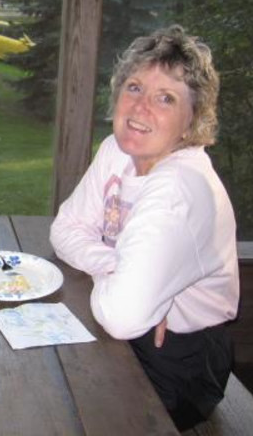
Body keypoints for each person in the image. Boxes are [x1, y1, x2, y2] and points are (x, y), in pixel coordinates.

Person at [50, 25, 239, 431]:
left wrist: (129, 287)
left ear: (192, 122)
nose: (141, 108)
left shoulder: (179, 187)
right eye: (134, 88)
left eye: (166, 98)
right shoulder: (116, 151)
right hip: (136, 323)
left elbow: (121, 315)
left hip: (179, 357)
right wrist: (118, 267)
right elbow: (64, 228)